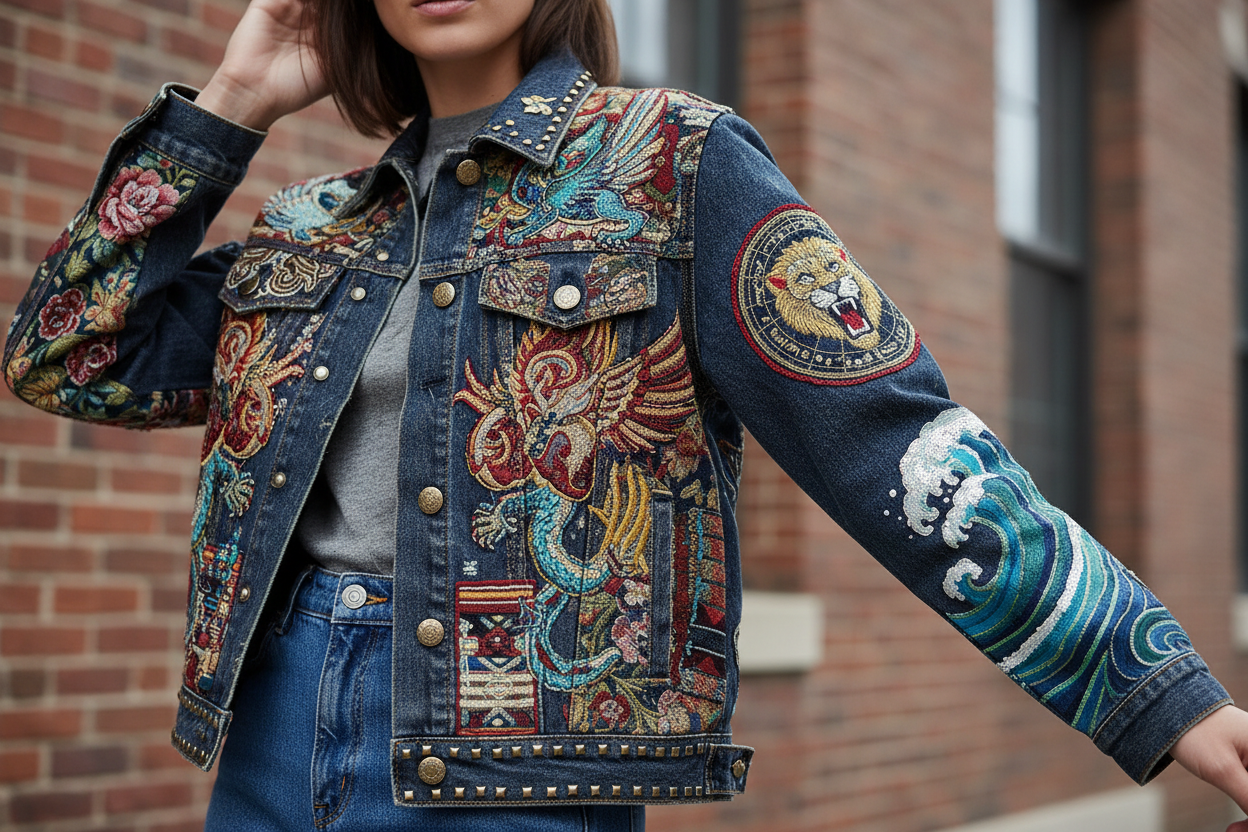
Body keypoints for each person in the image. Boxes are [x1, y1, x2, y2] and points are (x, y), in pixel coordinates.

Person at [6, 0, 1248, 829]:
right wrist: (228, 100)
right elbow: (71, 354)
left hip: (517, 762)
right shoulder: (311, 226)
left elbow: (894, 434)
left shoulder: (676, 165)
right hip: (272, 728)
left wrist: (1164, 695)